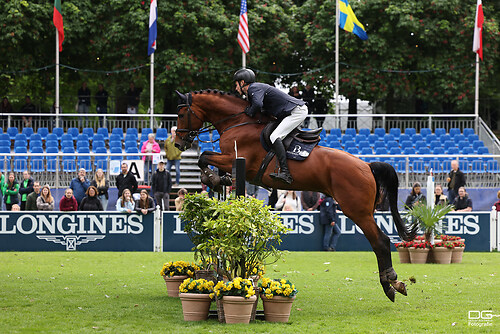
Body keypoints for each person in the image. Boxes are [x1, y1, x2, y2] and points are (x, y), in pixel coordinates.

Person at [234, 68, 307, 184]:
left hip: (296, 111)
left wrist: (250, 112)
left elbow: (258, 105)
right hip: (290, 111)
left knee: (275, 136)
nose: (236, 88)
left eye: (236, 84)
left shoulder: (253, 88)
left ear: (242, 82)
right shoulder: (256, 90)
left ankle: (286, 173)